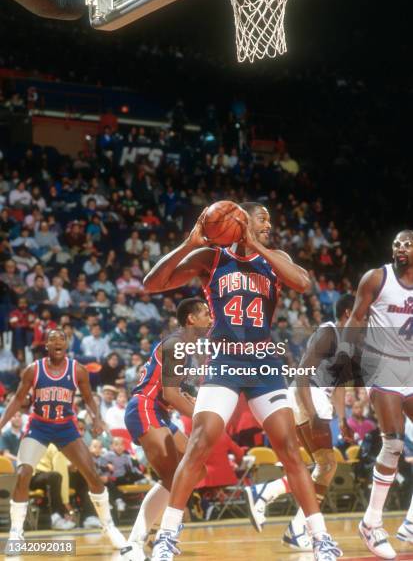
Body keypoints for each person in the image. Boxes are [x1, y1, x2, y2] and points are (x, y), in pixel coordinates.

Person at [144, 203, 342, 561]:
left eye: (270, 218)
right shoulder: (211, 257)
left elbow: (303, 282)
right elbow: (152, 284)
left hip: (264, 363)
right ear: (239, 220)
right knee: (200, 442)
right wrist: (189, 244)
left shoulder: (274, 257)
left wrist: (258, 244)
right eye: (262, 218)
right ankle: (167, 536)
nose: (270, 224)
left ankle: (320, 538)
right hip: (224, 361)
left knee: (290, 452)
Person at [244, 293, 355, 552]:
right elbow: (303, 371)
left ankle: (296, 527)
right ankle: (268, 494)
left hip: (319, 398)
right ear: (349, 313)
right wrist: (312, 410)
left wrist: (343, 419)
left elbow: (339, 387)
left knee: (325, 466)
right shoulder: (328, 333)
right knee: (326, 464)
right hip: (309, 395)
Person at [0, 329, 125, 550]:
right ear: (46, 345)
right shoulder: (33, 370)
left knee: (93, 476)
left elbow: (89, 399)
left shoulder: (78, 370)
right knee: (23, 473)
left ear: (66, 345)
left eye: (62, 339)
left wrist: (96, 419)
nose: (57, 341)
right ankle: (16, 533)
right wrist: (0, 424)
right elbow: (18, 399)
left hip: (66, 427)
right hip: (39, 426)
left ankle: (109, 526)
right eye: (53, 339)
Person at [339, 230, 413, 558]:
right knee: (394, 442)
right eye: (397, 243)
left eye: (408, 244)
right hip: (381, 365)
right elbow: (355, 321)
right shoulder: (377, 279)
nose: (400, 248)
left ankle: (410, 522)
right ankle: (371, 522)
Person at [121, 298, 212, 561]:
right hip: (144, 407)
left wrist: (188, 397)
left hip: (159, 411)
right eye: (205, 313)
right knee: (174, 476)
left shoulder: (185, 346)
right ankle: (137, 541)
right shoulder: (177, 344)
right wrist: (200, 415)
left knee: (195, 469)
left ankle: (154, 534)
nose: (210, 317)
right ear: (191, 319)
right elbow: (170, 395)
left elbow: (170, 389)